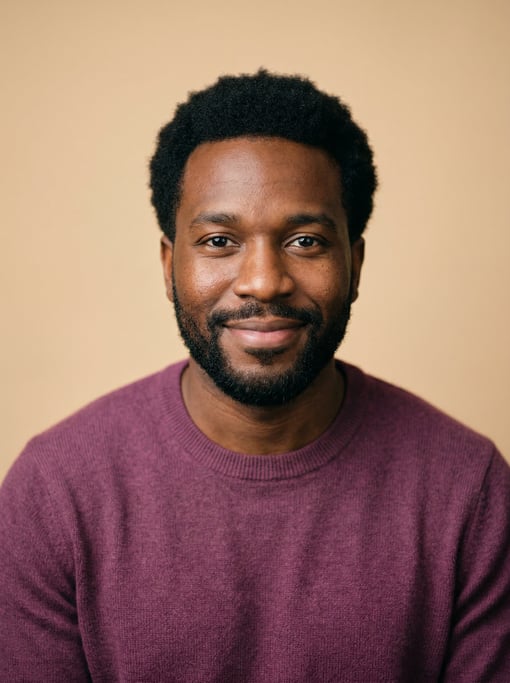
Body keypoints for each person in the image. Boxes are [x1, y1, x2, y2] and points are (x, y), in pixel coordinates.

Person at [1, 70, 509, 682]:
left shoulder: (469, 491)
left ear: (355, 262)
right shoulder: (55, 493)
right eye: (219, 240)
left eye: (304, 241)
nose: (264, 281)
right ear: (170, 265)